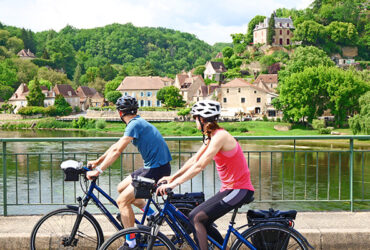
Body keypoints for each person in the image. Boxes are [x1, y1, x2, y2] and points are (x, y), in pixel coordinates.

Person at [157, 100, 254, 250]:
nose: (194, 121)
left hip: (239, 189)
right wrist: (172, 177)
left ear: (202, 119)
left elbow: (200, 166)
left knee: (196, 217)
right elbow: (194, 160)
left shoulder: (220, 136)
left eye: (195, 118)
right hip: (230, 189)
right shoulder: (211, 136)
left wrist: (173, 185)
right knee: (200, 218)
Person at [87, 95, 172, 250]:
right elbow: (116, 145)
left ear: (120, 113)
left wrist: (98, 171)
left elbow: (117, 151)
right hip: (154, 166)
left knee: (122, 201)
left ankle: (131, 243)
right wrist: (98, 161)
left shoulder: (134, 125)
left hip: (156, 169)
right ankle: (152, 214)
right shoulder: (136, 123)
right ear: (135, 110)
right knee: (121, 188)